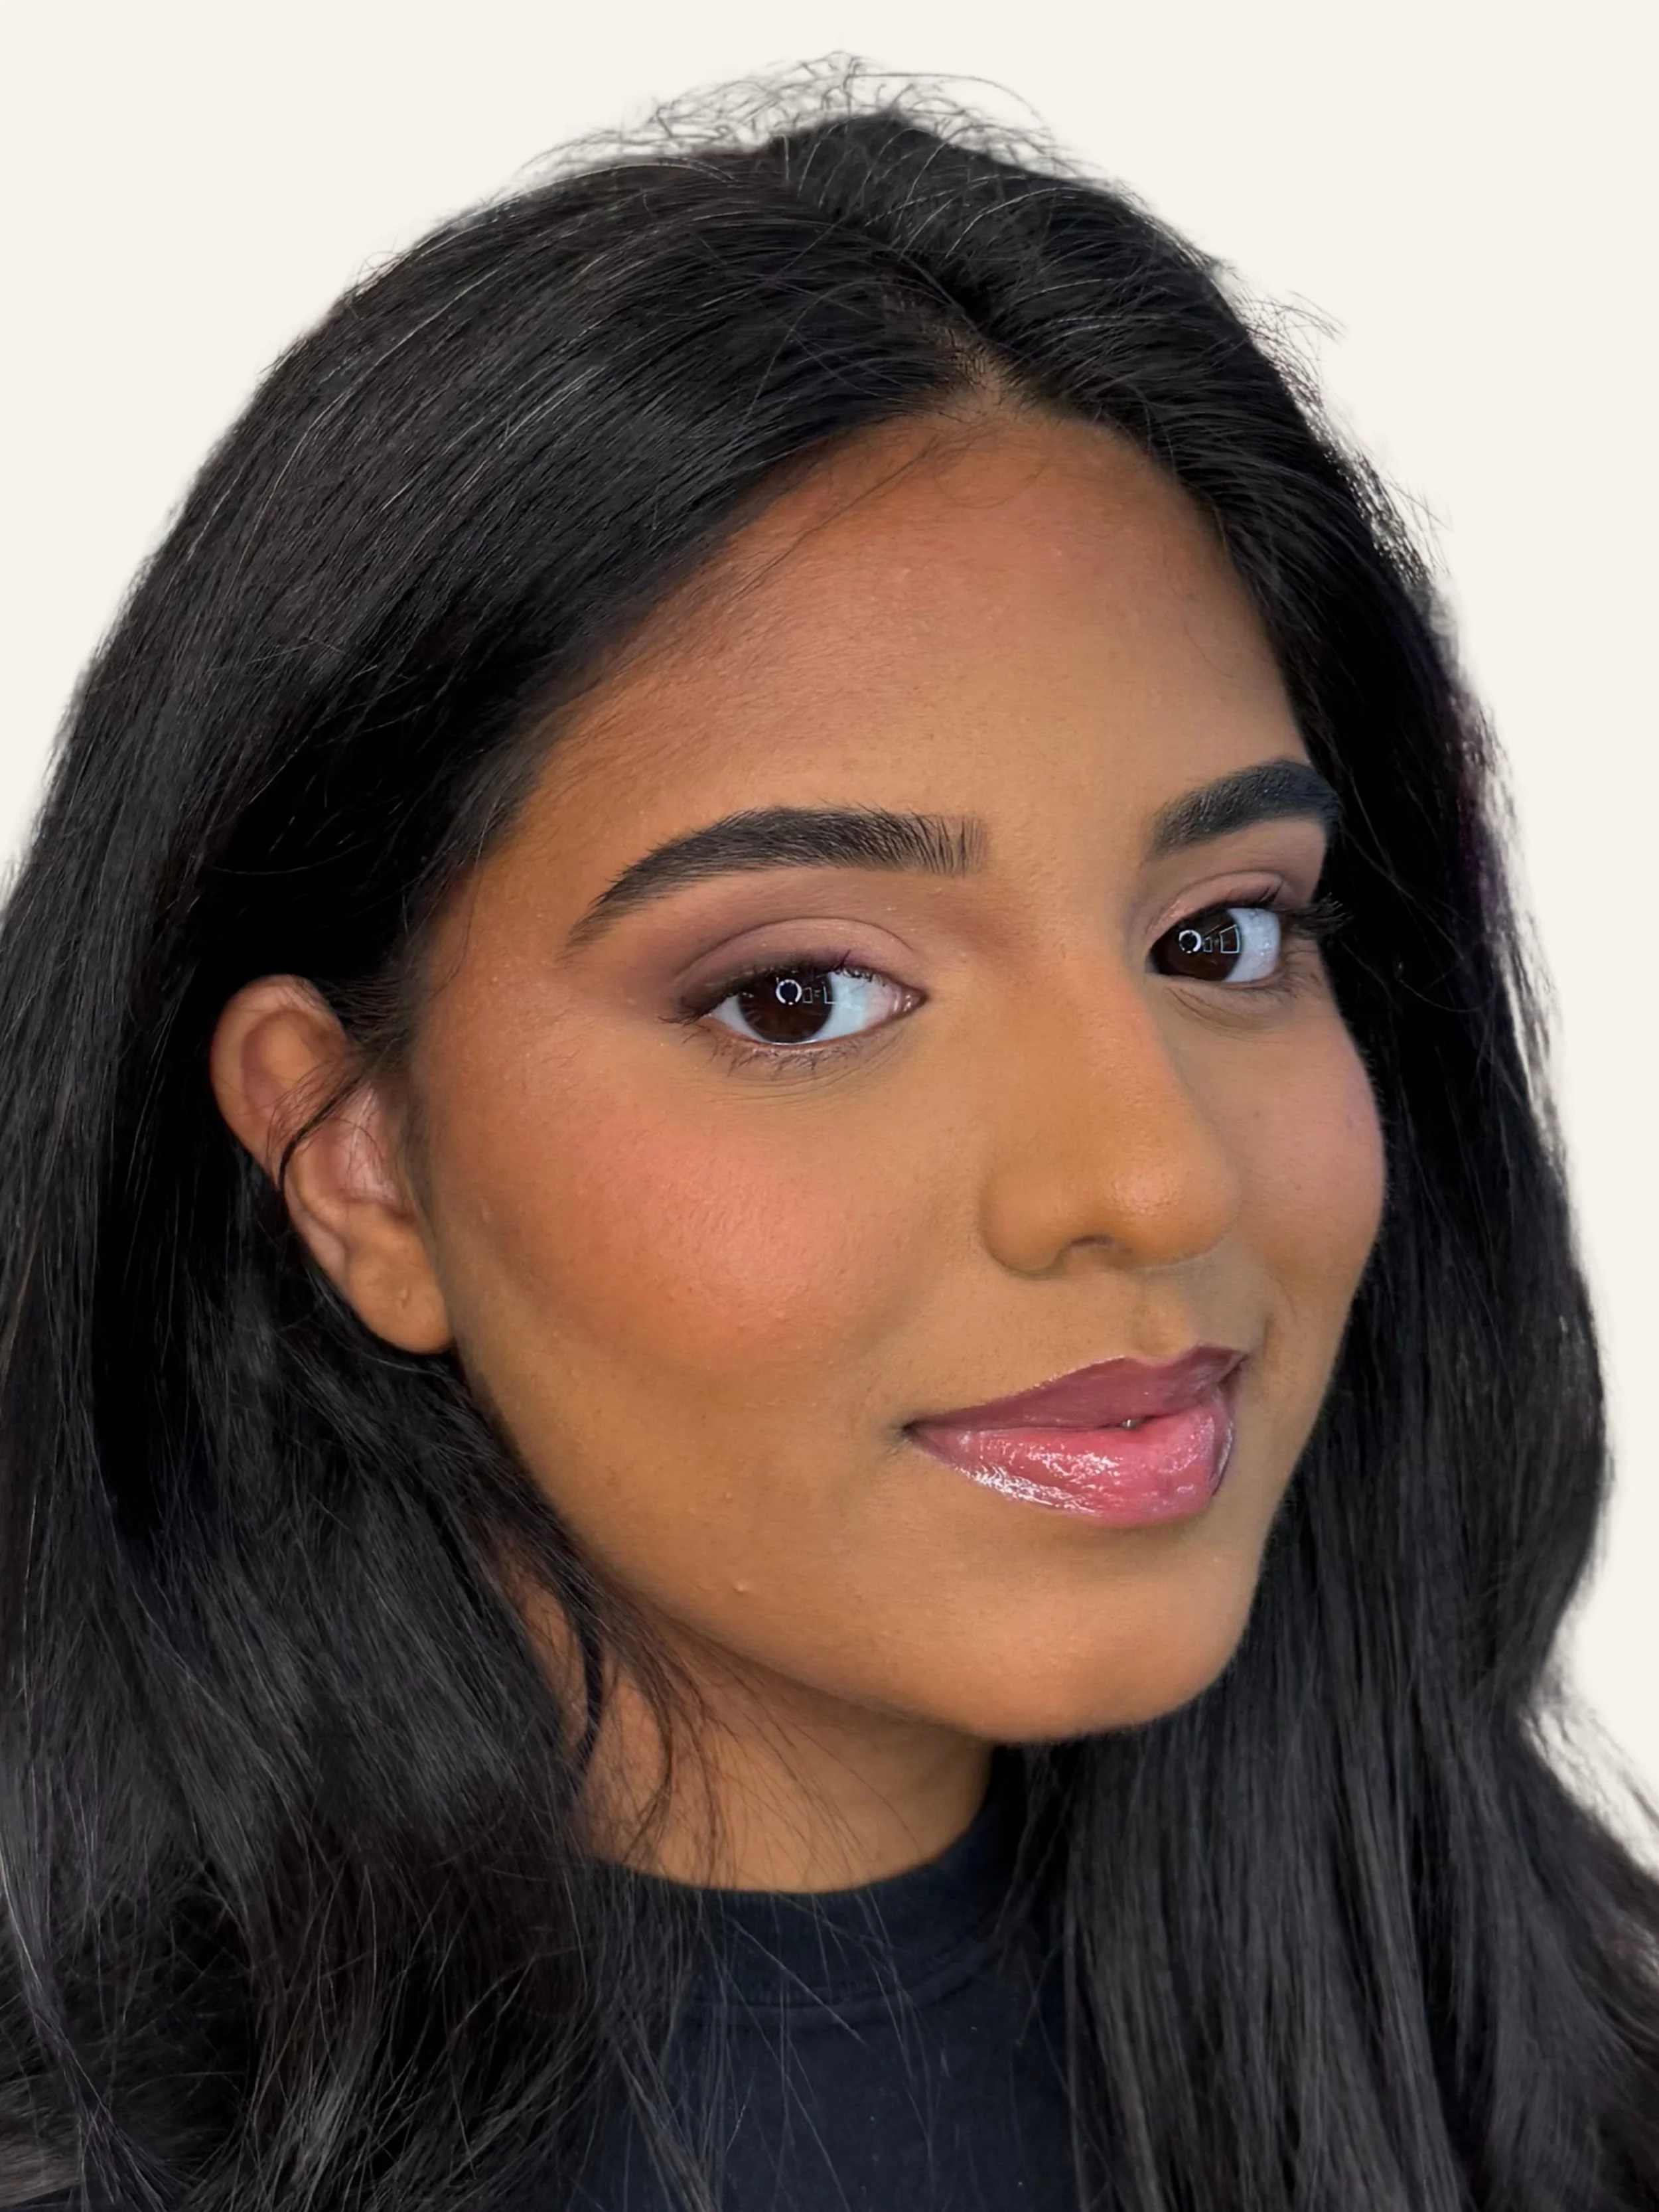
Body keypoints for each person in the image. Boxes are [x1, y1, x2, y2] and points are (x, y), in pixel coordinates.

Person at [0, 70, 1655, 2212]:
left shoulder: (1559, 2099)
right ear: (357, 1159)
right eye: (802, 995)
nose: (1146, 1181)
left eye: (1218, 933)